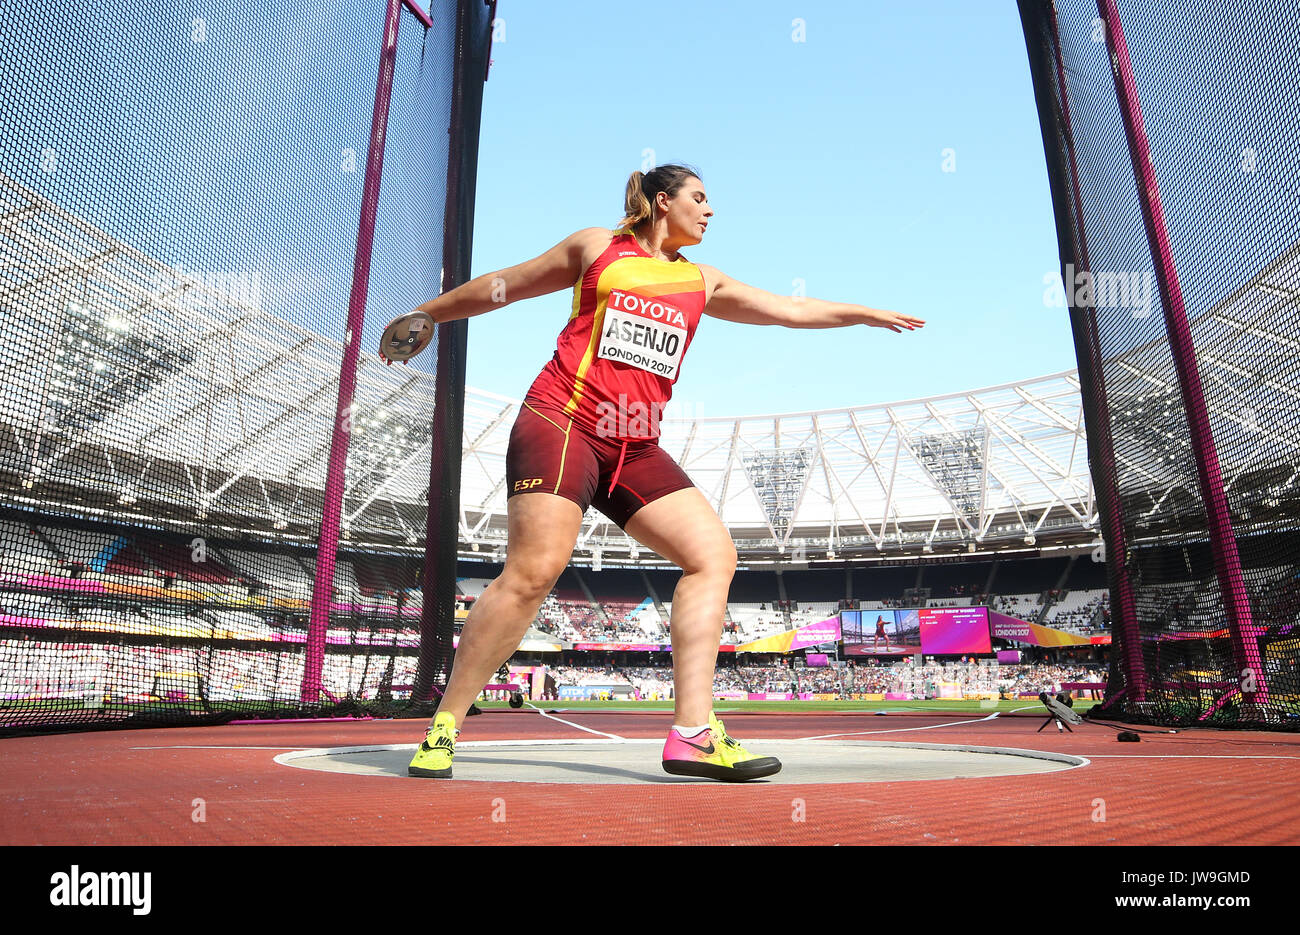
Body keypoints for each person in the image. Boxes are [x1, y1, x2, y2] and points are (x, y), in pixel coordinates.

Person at [393, 164, 924, 780]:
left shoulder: (704, 280)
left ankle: (692, 734)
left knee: (712, 555)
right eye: (700, 198)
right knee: (534, 572)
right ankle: (445, 725)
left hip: (634, 443)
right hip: (563, 421)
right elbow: (504, 285)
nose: (710, 210)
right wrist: (429, 314)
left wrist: (862, 313)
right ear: (661, 201)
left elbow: (787, 309)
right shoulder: (598, 247)